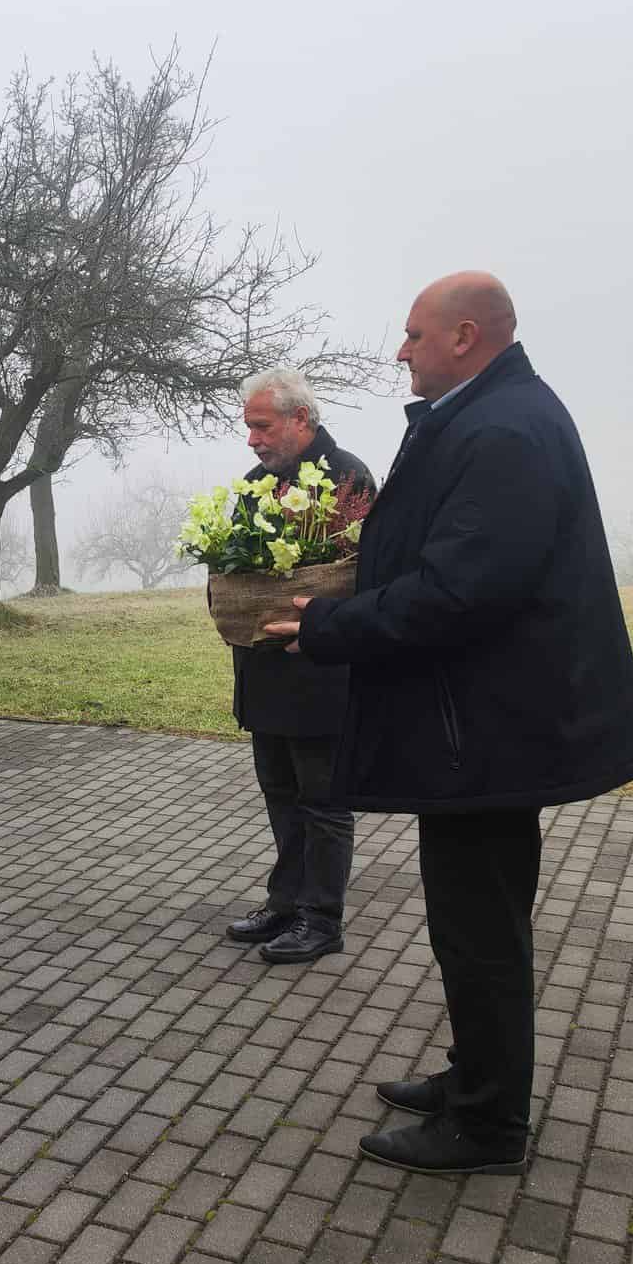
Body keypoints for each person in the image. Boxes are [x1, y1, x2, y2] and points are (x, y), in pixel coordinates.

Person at [264, 272, 633, 1175]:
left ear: (465, 336)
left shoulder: (506, 429)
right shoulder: (487, 415)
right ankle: (475, 1076)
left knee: (480, 932)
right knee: (471, 924)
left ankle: (488, 1126)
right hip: (476, 729)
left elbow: (460, 591)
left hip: (488, 735)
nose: (400, 351)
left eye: (412, 334)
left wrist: (328, 626)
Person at [220, 369, 374, 964]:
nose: (253, 440)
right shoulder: (255, 483)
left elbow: (361, 575)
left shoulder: (348, 478)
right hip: (264, 672)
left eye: (261, 426)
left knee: (323, 802)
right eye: (249, 428)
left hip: (320, 674)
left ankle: (321, 918)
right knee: (280, 793)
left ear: (301, 418)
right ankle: (285, 902)